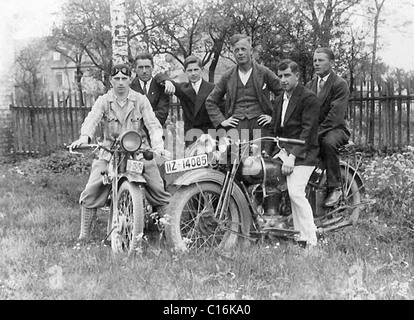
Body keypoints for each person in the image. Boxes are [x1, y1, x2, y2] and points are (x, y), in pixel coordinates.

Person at [69, 64, 171, 241]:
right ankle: (84, 235)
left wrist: (158, 145)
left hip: (138, 151)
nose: (121, 83)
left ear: (130, 79)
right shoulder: (104, 100)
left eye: (124, 78)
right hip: (111, 151)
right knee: (93, 187)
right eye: (117, 79)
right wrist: (84, 137)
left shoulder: (140, 100)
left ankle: (170, 233)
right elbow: (92, 119)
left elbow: (153, 124)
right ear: (111, 80)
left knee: (157, 186)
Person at [265, 59, 320, 248]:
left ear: (297, 76)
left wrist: (293, 156)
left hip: (305, 152)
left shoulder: (308, 98)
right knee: (262, 175)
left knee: (295, 192)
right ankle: (290, 231)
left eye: (287, 75)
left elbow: (308, 131)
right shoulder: (280, 99)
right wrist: (265, 153)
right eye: (280, 76)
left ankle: (310, 239)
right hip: (284, 150)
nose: (283, 80)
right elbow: (273, 130)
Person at [206, 34, 282, 148]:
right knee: (237, 161)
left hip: (260, 124)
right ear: (233, 53)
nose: (240, 53)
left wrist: (273, 118)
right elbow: (210, 101)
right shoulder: (228, 76)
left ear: (250, 51)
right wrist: (222, 121)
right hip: (237, 126)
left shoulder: (264, 72)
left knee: (260, 160)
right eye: (236, 50)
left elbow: (283, 93)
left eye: (243, 49)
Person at [306, 47, 351, 207]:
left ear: (331, 63)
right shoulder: (310, 84)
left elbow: (335, 116)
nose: (316, 63)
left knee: (328, 143)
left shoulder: (340, 84)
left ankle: (335, 187)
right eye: (315, 60)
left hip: (336, 129)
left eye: (321, 60)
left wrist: (314, 134)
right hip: (316, 129)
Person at [157, 55, 216, 147]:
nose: (193, 73)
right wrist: (167, 81)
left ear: (202, 69)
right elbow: (159, 76)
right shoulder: (183, 89)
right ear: (184, 71)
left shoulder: (212, 88)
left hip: (210, 133)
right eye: (189, 70)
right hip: (191, 135)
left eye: (196, 70)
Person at [130, 52, 171, 127]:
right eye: (140, 67)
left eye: (147, 67)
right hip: (134, 134)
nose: (144, 71)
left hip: (156, 132)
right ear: (135, 68)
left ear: (153, 67)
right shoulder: (130, 88)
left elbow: (162, 115)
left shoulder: (160, 87)